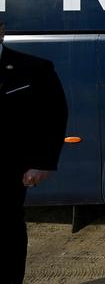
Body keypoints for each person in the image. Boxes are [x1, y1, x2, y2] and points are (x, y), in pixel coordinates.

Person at [3, 22, 68, 284]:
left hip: (10, 167)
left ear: (1, 31)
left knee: (8, 229)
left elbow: (54, 118)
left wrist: (42, 162)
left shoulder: (34, 69)